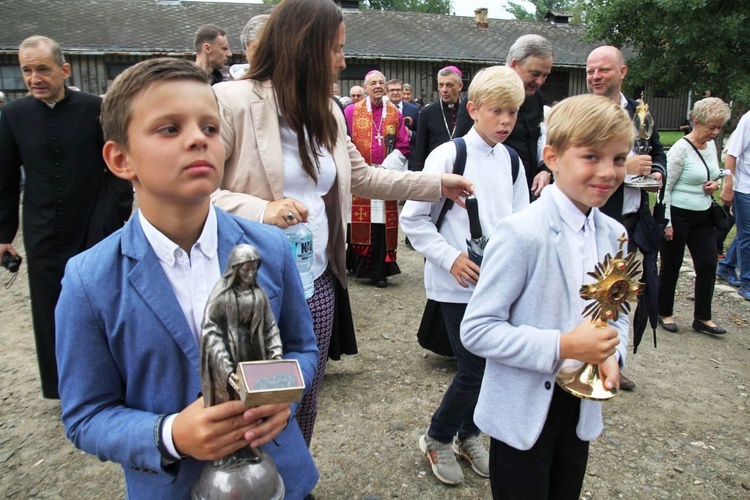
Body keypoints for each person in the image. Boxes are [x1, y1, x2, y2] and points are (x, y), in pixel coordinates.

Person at [210, 0, 473, 447]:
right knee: (260, 406)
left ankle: (296, 479)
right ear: (304, 46)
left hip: (316, 283)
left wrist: (437, 183)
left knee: (306, 395)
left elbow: (364, 176)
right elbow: (198, 191)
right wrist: (261, 211)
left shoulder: (327, 111)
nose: (343, 61)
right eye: (336, 48)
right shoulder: (229, 101)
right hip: (258, 290)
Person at [55, 57, 319, 499]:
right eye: (169, 129)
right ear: (121, 158)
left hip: (279, 481)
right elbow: (86, 415)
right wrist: (171, 434)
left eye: (210, 128)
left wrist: (281, 395)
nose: (198, 138)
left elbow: (301, 347)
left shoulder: (270, 248)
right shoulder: (89, 281)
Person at [461, 94, 632, 498]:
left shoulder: (614, 234)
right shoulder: (521, 232)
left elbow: (618, 315)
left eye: (619, 158)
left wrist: (612, 352)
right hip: (523, 412)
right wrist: (565, 345)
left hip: (580, 410)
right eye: (591, 157)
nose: (608, 172)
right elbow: (479, 329)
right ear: (552, 157)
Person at [401, 65, 528, 486]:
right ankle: (437, 437)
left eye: (512, 112)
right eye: (497, 111)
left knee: (489, 368)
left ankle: (467, 433)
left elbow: (520, 223)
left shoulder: (512, 160)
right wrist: (451, 257)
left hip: (497, 284)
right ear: (473, 108)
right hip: (455, 284)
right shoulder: (449, 154)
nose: (506, 121)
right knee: (474, 368)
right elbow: (414, 219)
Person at [0, 35, 132, 399]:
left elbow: (117, 166)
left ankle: (112, 382)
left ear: (64, 70)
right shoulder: (12, 116)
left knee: (102, 305)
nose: (33, 78)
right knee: (48, 312)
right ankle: (62, 387)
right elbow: (6, 179)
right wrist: (3, 234)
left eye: (41, 69)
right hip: (41, 230)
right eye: (26, 70)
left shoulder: (94, 109)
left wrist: (113, 214)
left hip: (93, 223)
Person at [586, 45, 667, 391]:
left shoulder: (639, 111)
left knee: (619, 294)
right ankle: (584, 360)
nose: (595, 77)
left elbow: (658, 150)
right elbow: (580, 160)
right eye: (591, 71)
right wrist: (623, 167)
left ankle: (613, 360)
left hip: (633, 221)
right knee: (590, 292)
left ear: (623, 72)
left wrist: (658, 172)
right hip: (597, 218)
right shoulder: (582, 112)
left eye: (603, 70)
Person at [658, 97, 731, 335]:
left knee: (709, 264)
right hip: (678, 215)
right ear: (696, 122)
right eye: (712, 127)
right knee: (672, 265)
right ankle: (664, 311)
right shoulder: (680, 150)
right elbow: (665, 187)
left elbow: (713, 172)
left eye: (719, 127)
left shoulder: (710, 146)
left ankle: (703, 318)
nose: (716, 132)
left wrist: (715, 183)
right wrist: (666, 221)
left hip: (703, 215)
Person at [456, 34, 555, 201]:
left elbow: (538, 141)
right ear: (514, 64)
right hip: (487, 193)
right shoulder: (483, 95)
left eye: (545, 75)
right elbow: (462, 147)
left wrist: (545, 169)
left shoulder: (536, 98)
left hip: (525, 192)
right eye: (535, 73)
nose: (539, 81)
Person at [344, 70, 410, 287]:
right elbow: (344, 140)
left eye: (382, 82)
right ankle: (357, 263)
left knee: (382, 222)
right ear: (365, 87)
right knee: (360, 219)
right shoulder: (352, 111)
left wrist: (385, 166)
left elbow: (402, 144)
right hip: (360, 173)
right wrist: (357, 167)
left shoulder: (394, 113)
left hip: (384, 172)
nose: (378, 86)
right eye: (373, 83)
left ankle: (379, 271)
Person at [719, 110, 750, 299]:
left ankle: (726, 265)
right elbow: (732, 155)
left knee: (746, 233)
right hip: (745, 187)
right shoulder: (748, 119)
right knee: (747, 235)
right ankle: (747, 281)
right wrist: (728, 186)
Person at [413, 66, 464, 171]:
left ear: (460, 86)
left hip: (464, 167)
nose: (444, 90)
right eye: (441, 85)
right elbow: (420, 149)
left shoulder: (468, 111)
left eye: (449, 85)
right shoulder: (426, 112)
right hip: (436, 170)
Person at [387, 78, 420, 171]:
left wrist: (410, 133)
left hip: (409, 158)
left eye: (398, 90)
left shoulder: (414, 109)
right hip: (387, 157)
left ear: (402, 91)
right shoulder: (382, 110)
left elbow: (421, 135)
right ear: (387, 92)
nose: (395, 92)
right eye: (392, 90)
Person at [229, 14, 269, 80]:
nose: (266, 55)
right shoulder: (227, 88)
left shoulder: (289, 86)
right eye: (260, 49)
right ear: (246, 50)